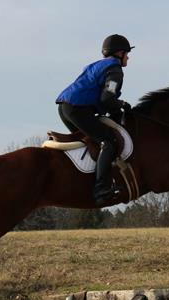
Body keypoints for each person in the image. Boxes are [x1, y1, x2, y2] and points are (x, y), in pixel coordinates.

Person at [56, 34, 133, 205]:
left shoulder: (98, 65)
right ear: (120, 53)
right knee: (109, 141)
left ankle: (85, 180)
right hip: (77, 109)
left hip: (65, 107)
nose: (128, 57)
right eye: (127, 53)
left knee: (93, 142)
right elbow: (107, 99)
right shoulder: (115, 69)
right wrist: (123, 104)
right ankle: (101, 190)